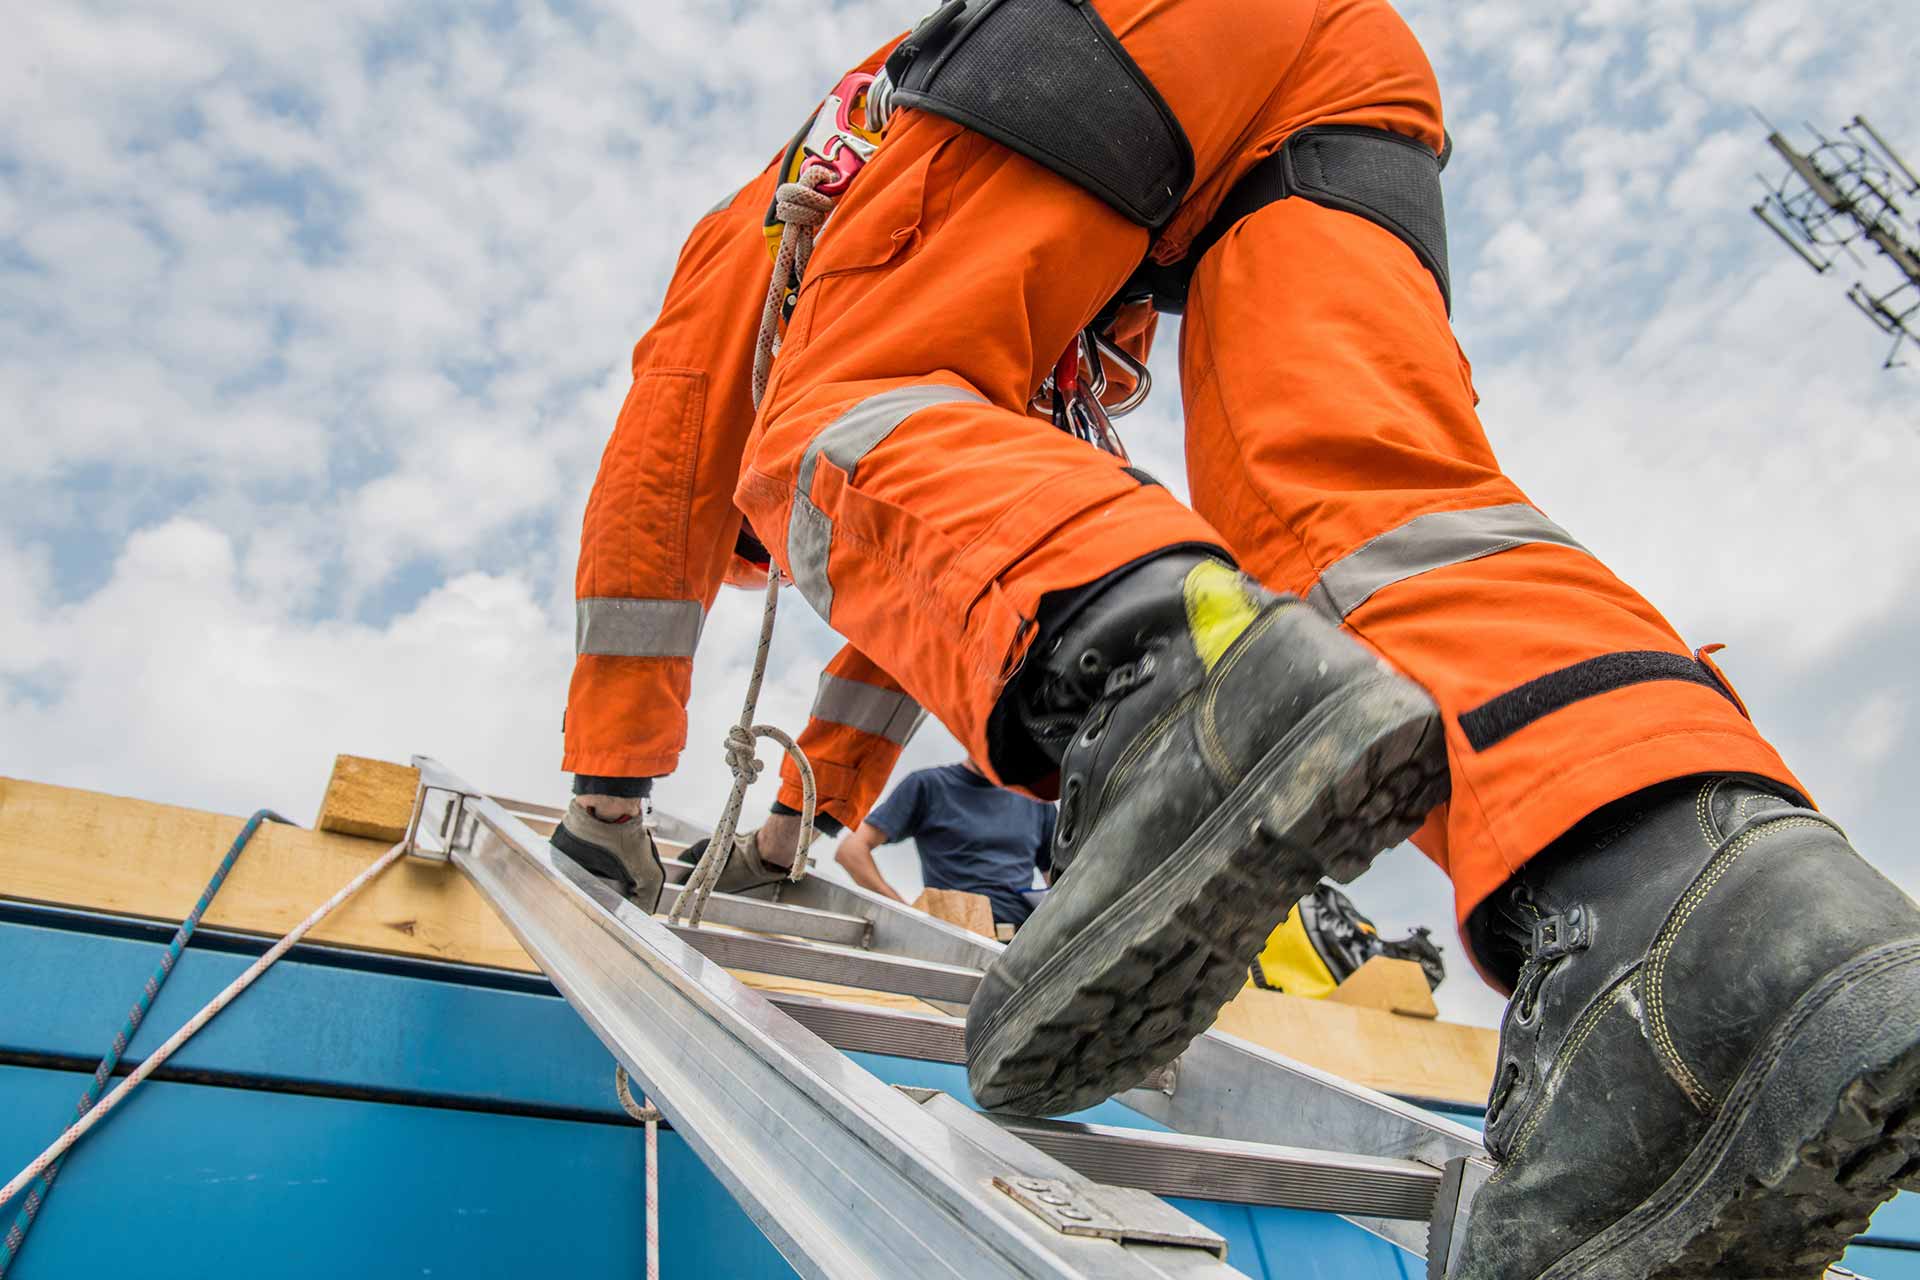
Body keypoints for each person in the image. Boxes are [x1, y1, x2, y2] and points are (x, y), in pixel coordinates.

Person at [722, 0, 1920, 1273]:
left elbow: (660, 491)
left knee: (823, 424)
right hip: (1339, 62)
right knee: (1362, 502)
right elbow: (948, 572)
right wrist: (822, 792)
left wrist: (611, 799)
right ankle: (1691, 890)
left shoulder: (743, 249)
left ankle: (1163, 694)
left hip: (1119, 35)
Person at [833, 760, 1055, 929]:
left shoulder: (1037, 800)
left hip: (1020, 941)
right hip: (957, 935)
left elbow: (1060, 882)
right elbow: (851, 851)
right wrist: (907, 915)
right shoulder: (929, 786)